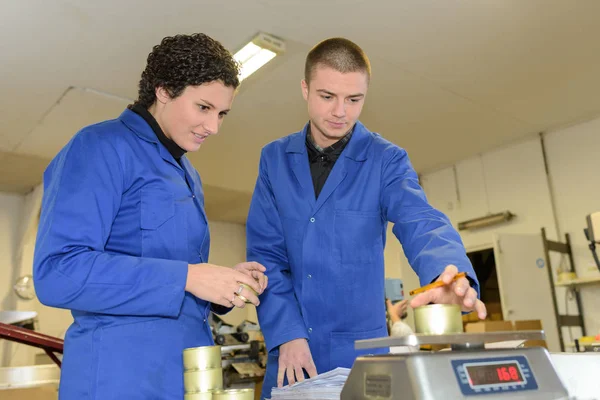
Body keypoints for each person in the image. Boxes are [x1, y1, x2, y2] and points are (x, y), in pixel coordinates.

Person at [246, 37, 487, 399]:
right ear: (305, 89)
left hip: (361, 353)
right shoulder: (274, 159)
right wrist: (288, 333)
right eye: (327, 96)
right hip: (292, 352)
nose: (341, 111)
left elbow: (420, 219)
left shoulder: (386, 160)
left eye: (354, 99)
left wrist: (447, 271)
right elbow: (267, 258)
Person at [33, 33, 267, 400]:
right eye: (203, 107)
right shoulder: (100, 147)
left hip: (182, 376)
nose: (214, 127)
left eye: (222, 113)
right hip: (120, 379)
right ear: (163, 91)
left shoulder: (188, 174)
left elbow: (173, 276)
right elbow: (58, 273)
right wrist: (189, 276)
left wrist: (222, 284)